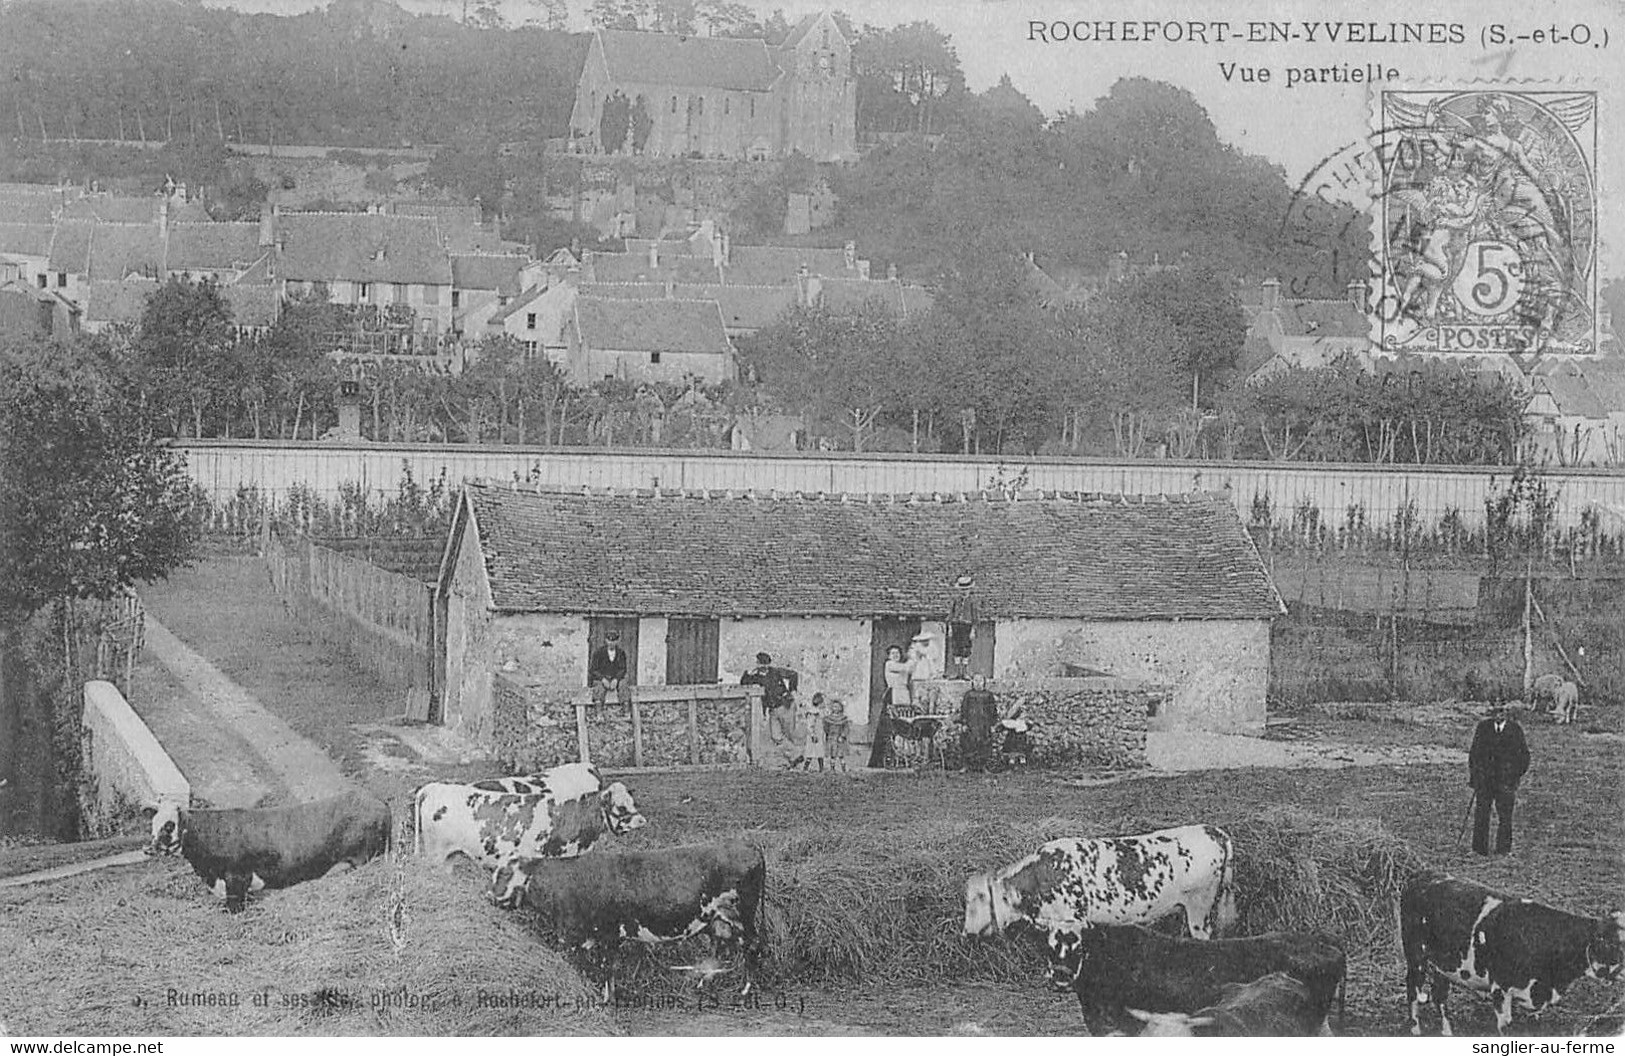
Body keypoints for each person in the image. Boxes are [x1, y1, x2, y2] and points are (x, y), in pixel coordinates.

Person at [1468, 701, 1530, 856]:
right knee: (1482, 814)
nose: (1498, 715)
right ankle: (1478, 849)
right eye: (1495, 712)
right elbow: (1474, 755)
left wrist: (1513, 777)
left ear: (1507, 713)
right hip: (1485, 782)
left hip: (1505, 783)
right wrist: (1476, 777)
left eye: (1502, 712)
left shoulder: (1515, 730)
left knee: (1505, 816)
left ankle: (1503, 850)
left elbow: (1524, 758)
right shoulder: (1483, 728)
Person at [741, 652, 799, 757]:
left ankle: (794, 758)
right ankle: (795, 755)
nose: (763, 666)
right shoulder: (756, 676)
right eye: (761, 664)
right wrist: (747, 673)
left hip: (786, 705)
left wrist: (792, 691)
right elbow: (744, 683)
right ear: (757, 664)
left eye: (766, 664)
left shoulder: (776, 672)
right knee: (776, 736)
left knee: (789, 733)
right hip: (772, 709)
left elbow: (793, 674)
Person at [869, 644, 913, 769]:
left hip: (904, 695)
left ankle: (904, 756)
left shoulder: (902, 666)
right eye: (893, 653)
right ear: (888, 656)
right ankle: (886, 758)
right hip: (893, 695)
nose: (895, 655)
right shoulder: (890, 664)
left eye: (897, 653)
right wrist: (915, 656)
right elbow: (907, 668)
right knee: (890, 727)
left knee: (905, 723)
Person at [959, 674, 998, 772]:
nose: (978, 683)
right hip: (971, 724)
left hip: (984, 724)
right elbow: (964, 710)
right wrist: (964, 723)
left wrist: (993, 724)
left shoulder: (988, 695)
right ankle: (967, 766)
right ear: (972, 682)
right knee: (968, 743)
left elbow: (993, 710)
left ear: (984, 682)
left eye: (980, 681)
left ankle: (983, 766)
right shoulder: (968, 695)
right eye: (975, 680)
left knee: (984, 743)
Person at [587, 630, 631, 705]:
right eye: (609, 640)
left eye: (613, 641)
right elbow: (593, 669)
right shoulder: (599, 652)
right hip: (602, 679)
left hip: (615, 678)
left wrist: (616, 679)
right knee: (598, 688)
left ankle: (626, 711)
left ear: (617, 641)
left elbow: (623, 669)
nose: (611, 643)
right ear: (606, 640)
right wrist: (603, 679)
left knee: (623, 685)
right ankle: (599, 713)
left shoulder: (621, 653)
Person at [795, 692, 829, 772]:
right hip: (814, 736)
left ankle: (821, 768)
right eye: (824, 702)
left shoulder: (821, 713)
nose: (825, 704)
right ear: (819, 702)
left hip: (820, 734)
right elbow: (810, 725)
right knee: (811, 752)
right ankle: (805, 767)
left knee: (820, 751)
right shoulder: (813, 713)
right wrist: (812, 734)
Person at [823, 695, 851, 772]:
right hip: (832, 738)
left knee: (841, 755)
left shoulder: (843, 718)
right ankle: (832, 768)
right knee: (833, 754)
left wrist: (842, 736)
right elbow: (826, 727)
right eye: (834, 707)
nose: (835, 708)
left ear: (840, 708)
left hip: (840, 739)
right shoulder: (828, 718)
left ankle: (843, 768)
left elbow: (846, 728)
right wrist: (828, 734)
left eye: (837, 707)